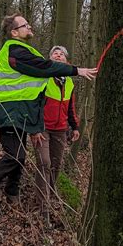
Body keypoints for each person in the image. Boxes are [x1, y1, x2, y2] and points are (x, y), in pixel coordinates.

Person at [0, 14, 97, 205]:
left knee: (19, 153)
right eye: (25, 25)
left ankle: (12, 191)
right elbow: (43, 67)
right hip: (7, 109)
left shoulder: (25, 50)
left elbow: (38, 92)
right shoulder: (15, 50)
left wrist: (39, 125)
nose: (29, 27)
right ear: (14, 32)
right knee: (16, 154)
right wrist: (77, 70)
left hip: (20, 109)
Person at [33, 46, 80, 208]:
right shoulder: (43, 78)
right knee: (44, 163)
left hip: (60, 130)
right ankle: (42, 203)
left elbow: (71, 107)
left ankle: (51, 194)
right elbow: (34, 105)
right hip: (42, 129)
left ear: (67, 61)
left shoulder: (69, 82)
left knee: (56, 164)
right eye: (55, 54)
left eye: (62, 55)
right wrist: (36, 128)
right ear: (50, 59)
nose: (58, 56)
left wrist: (75, 127)